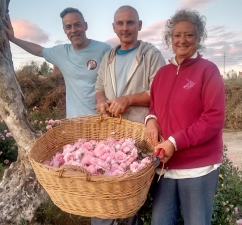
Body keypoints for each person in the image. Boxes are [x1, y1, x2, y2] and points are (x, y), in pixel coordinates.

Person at [145, 9, 225, 225]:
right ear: (170, 39)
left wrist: (174, 142)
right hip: (166, 167)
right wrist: (151, 118)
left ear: (198, 38)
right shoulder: (162, 73)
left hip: (197, 167)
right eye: (177, 35)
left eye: (189, 35)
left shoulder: (208, 71)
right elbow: (154, 105)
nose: (182, 40)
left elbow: (214, 118)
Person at [93, 5, 166, 225]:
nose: (125, 28)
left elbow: (159, 91)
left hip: (138, 135)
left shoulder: (150, 55)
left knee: (130, 199)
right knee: (106, 194)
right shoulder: (108, 57)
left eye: (130, 22)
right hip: (111, 137)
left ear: (139, 25)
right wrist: (100, 101)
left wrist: (128, 99)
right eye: (120, 23)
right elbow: (99, 87)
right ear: (114, 27)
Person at [3, 8, 111, 118]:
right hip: (75, 122)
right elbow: (39, 50)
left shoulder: (104, 49)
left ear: (85, 26)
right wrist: (13, 39)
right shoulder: (61, 52)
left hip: (102, 119)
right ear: (64, 29)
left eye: (77, 24)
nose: (73, 30)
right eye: (68, 27)